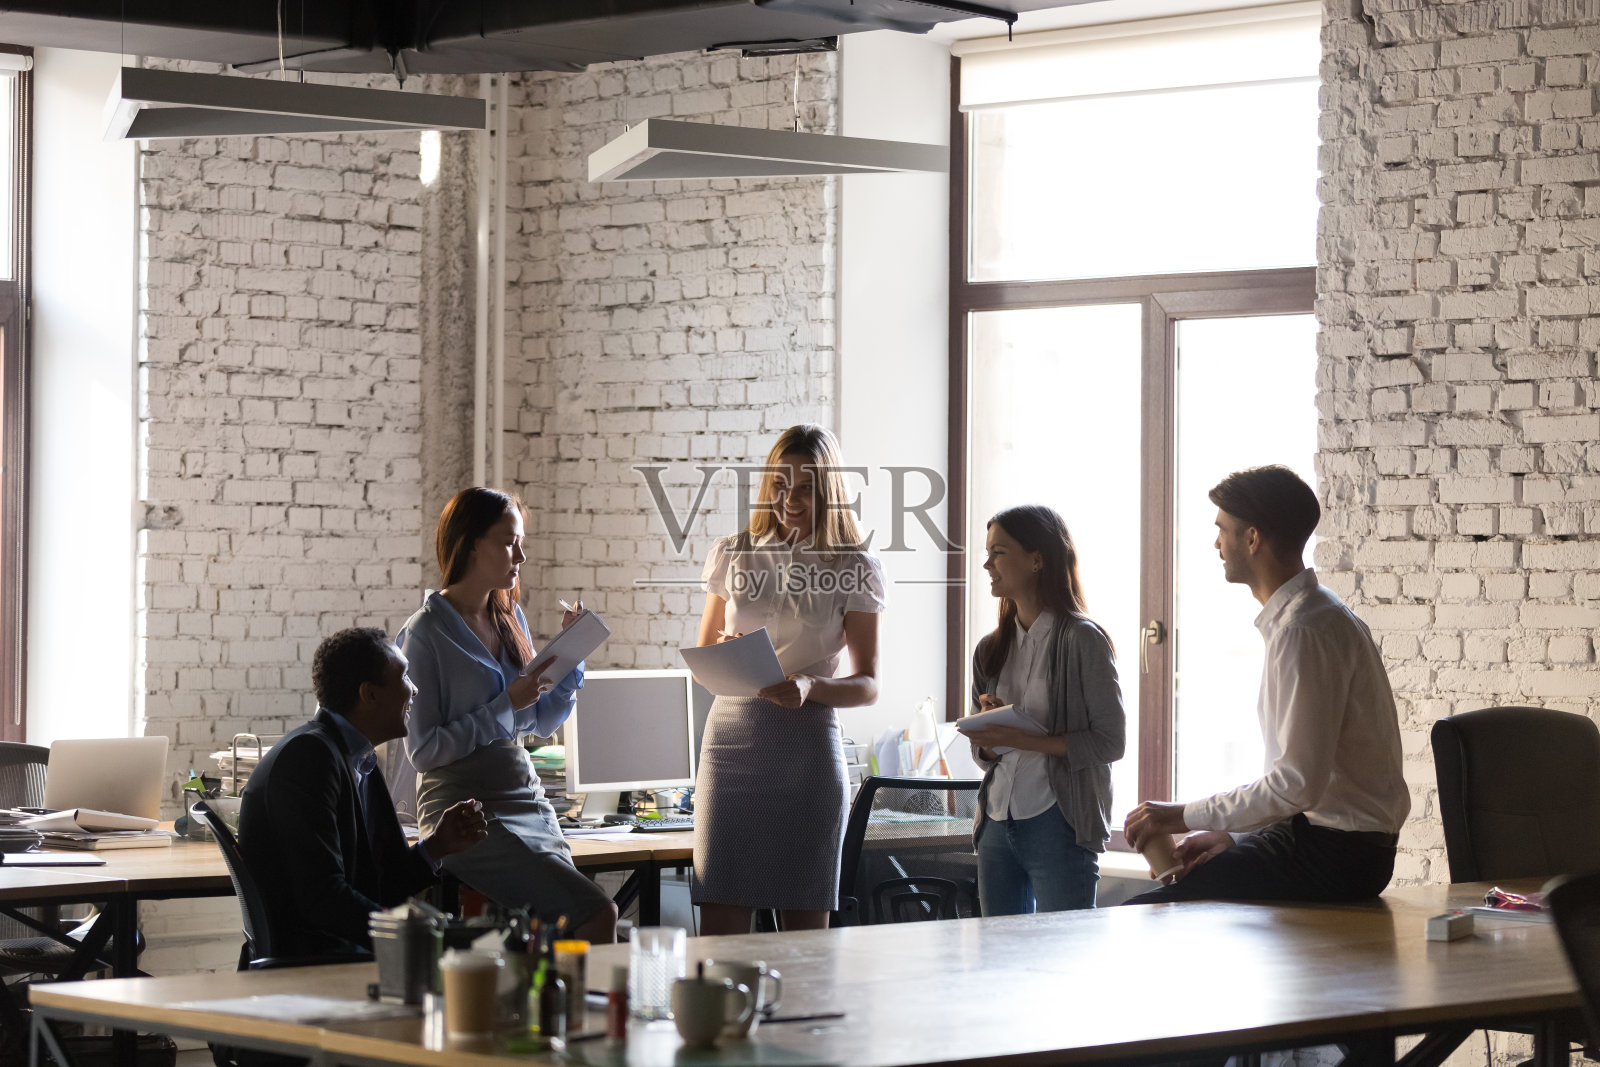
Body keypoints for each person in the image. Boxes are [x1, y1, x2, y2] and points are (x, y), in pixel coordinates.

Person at [1123, 465, 1410, 905]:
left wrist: (1180, 816)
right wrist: (1231, 836)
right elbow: (1302, 787)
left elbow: (1297, 785)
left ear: (1252, 538)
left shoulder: (1304, 630)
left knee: (1146, 914)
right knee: (1172, 899)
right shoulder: (1315, 615)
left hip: (1337, 856)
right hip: (1331, 845)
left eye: (1222, 529)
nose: (1215, 543)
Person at [398, 487, 618, 943]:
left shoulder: (508, 615)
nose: (520, 553)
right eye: (508, 541)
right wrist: (505, 706)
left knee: (557, 928)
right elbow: (423, 750)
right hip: (465, 810)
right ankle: (582, 1012)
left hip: (525, 797)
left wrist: (571, 657)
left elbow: (538, 720)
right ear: (471, 543)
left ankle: (546, 1008)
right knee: (597, 914)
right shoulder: (425, 632)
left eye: (520, 542)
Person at [691, 424, 886, 934]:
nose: (788, 499)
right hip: (729, 748)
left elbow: (868, 684)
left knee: (805, 943)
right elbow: (706, 646)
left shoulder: (854, 566)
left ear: (829, 493)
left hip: (807, 752)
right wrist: (724, 655)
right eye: (780, 484)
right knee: (720, 933)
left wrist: (810, 687)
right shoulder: (734, 552)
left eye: (805, 488)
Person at [239, 627, 489, 959]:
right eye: (404, 677)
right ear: (369, 694)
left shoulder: (355, 757)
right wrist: (414, 936)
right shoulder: (308, 758)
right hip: (314, 960)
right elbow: (324, 900)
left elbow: (381, 884)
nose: (414, 690)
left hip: (338, 947)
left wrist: (437, 846)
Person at [959, 505, 1125, 915]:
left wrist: (1020, 737)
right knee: (999, 964)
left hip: (1058, 820)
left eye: (998, 552)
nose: (987, 564)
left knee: (1061, 962)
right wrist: (990, 731)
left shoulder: (1083, 641)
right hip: (997, 820)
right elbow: (983, 756)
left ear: (1036, 559)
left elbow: (1110, 742)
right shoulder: (989, 649)